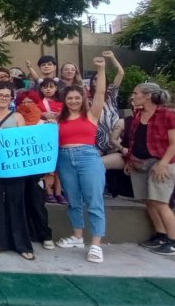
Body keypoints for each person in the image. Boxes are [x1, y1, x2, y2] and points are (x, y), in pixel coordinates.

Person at [125, 83, 175, 256]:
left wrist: (163, 163)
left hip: (160, 163)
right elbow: (134, 140)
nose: (133, 96)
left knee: (161, 202)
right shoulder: (138, 114)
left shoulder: (168, 115)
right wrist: (129, 159)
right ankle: (161, 235)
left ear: (147, 95)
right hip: (140, 163)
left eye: (136, 93)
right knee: (149, 201)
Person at [55, 57, 107, 263]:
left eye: (77, 98)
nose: (74, 101)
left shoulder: (91, 114)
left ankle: (96, 244)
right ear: (65, 101)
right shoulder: (59, 120)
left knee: (94, 200)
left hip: (88, 157)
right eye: (70, 98)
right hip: (64, 159)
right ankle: (77, 236)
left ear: (83, 99)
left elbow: (101, 92)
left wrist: (101, 69)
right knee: (73, 200)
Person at [0, 82, 32, 259]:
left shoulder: (17, 117)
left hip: (13, 164)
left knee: (16, 201)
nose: (3, 98)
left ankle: (21, 244)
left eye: (6, 95)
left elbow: (24, 140)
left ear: (11, 98)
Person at [16, 90, 55, 249]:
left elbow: (51, 151)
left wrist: (50, 174)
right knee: (20, 203)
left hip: (38, 173)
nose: (26, 105)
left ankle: (45, 235)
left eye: (30, 101)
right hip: (18, 171)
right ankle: (26, 233)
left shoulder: (45, 124)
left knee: (37, 203)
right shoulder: (15, 122)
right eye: (23, 102)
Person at [89, 51, 125, 160]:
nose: (98, 80)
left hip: (116, 139)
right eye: (95, 79)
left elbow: (121, 73)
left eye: (101, 77)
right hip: (97, 142)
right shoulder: (87, 100)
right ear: (91, 82)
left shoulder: (111, 93)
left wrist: (112, 57)